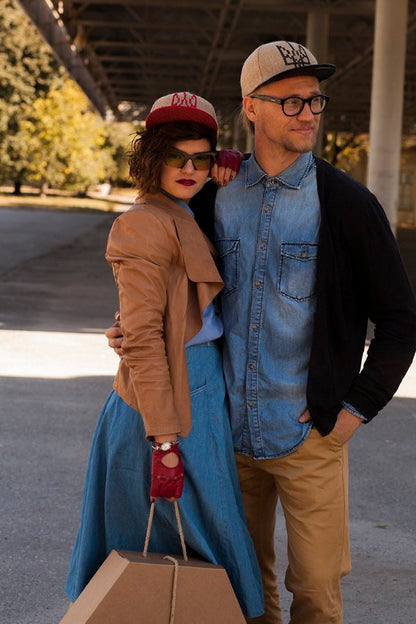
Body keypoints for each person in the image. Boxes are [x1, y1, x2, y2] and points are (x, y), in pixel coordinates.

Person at [106, 43, 416, 624]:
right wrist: (131, 324)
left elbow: (401, 322)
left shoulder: (347, 205)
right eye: (290, 100)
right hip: (224, 430)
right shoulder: (216, 193)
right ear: (251, 108)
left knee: (318, 593)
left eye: (315, 100)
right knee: (244, 591)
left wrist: (354, 410)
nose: (308, 113)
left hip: (309, 434)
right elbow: (166, 271)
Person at [65, 91, 264, 619]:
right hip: (163, 402)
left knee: (204, 539)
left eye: (202, 158)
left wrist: (232, 162)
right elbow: (145, 340)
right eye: (177, 157)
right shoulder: (142, 223)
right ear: (152, 157)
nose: (190, 169)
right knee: (168, 548)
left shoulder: (182, 208)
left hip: (200, 389)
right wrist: (165, 434)